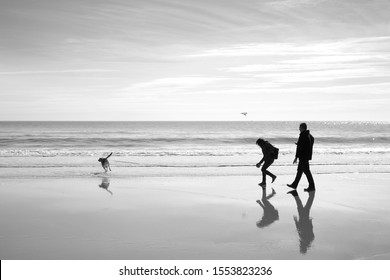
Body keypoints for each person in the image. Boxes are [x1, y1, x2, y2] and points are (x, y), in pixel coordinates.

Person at [287, 123, 315, 192]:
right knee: (299, 171)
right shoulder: (309, 135)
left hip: (303, 157)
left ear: (302, 128)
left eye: (300, 127)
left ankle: (312, 186)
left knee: (307, 172)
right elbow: (310, 142)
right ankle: (294, 184)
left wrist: (296, 157)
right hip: (306, 156)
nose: (299, 129)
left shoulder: (303, 135)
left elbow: (299, 148)